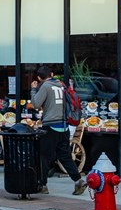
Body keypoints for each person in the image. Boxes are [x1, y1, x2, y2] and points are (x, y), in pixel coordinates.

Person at [30, 66, 87, 195]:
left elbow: (36, 104)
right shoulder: (62, 85)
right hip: (64, 126)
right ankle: (78, 181)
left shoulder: (45, 86)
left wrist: (33, 90)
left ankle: (42, 185)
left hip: (51, 126)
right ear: (52, 74)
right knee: (65, 156)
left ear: (39, 78)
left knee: (43, 156)